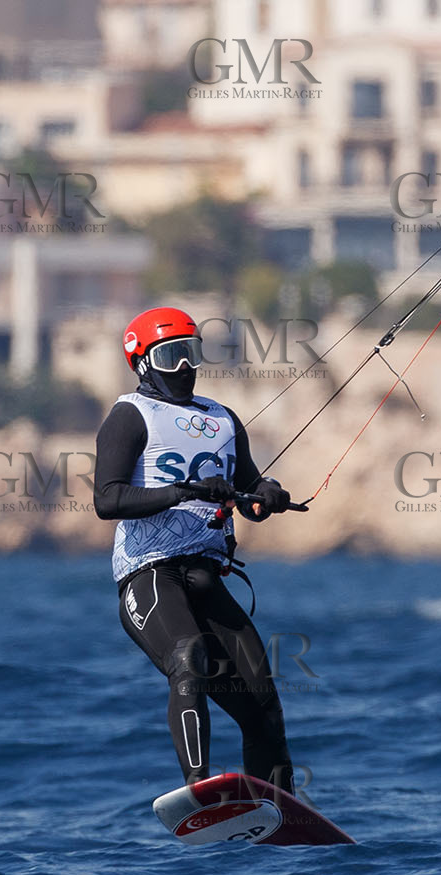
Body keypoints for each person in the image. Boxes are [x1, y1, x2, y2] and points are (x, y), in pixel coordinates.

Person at [93, 306, 297, 792]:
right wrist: (185, 491)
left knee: (262, 700)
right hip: (150, 576)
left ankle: (283, 807)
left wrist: (268, 493)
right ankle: (199, 786)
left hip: (207, 577)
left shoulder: (223, 419)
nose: (185, 366)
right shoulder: (129, 416)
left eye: (191, 353)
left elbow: (246, 493)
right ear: (142, 362)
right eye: (171, 355)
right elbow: (107, 499)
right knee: (189, 659)